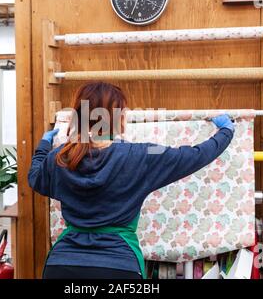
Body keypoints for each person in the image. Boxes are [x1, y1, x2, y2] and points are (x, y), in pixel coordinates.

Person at [28, 82, 234, 279]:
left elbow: (35, 176)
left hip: (61, 265)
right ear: (116, 117)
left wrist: (44, 145)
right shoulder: (142, 154)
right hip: (118, 267)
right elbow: (194, 154)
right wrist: (226, 132)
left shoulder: (60, 157)